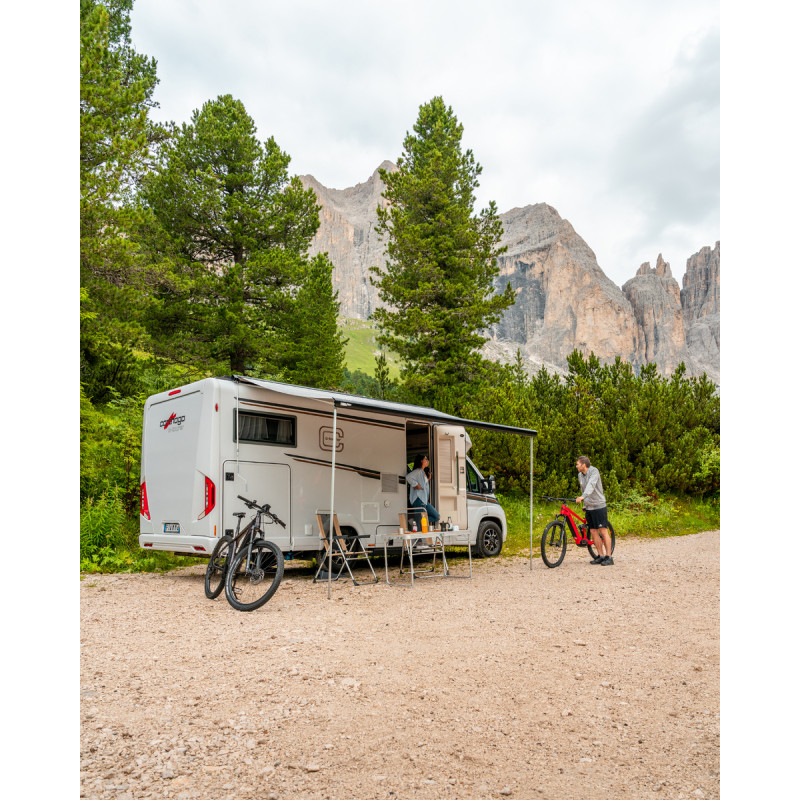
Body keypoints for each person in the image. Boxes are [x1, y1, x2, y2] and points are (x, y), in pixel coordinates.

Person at [575, 455, 613, 566]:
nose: (576, 466)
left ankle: (609, 557)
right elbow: (583, 489)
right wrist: (585, 504)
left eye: (577, 464)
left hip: (599, 505)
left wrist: (582, 497)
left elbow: (591, 486)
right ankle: (600, 556)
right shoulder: (580, 475)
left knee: (603, 530)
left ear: (583, 465)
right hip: (589, 507)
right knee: (593, 531)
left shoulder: (594, 472)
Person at [406, 455, 441, 532]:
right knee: (419, 521)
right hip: (419, 499)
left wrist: (428, 479)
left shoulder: (422, 472)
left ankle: (414, 522)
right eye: (426, 459)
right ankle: (419, 537)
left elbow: (422, 483)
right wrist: (416, 485)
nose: (427, 461)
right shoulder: (418, 471)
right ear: (421, 461)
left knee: (436, 516)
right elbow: (408, 477)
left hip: (423, 500)